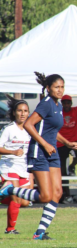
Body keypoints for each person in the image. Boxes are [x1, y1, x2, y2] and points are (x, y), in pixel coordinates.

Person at [0, 72, 77, 240]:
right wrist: (44, 144)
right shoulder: (46, 104)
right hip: (40, 152)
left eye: (62, 87)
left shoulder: (57, 105)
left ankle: (39, 233)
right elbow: (29, 124)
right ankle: (9, 189)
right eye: (56, 87)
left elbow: (52, 131)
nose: (60, 90)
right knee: (45, 196)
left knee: (57, 193)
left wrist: (66, 142)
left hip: (52, 152)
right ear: (48, 88)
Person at [0, 95, 32, 234]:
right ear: (14, 112)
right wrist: (13, 152)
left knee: (23, 201)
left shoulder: (30, 129)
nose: (22, 113)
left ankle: (4, 193)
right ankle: (10, 229)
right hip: (9, 166)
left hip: (24, 168)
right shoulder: (9, 129)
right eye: (19, 110)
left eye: (25, 111)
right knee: (16, 196)